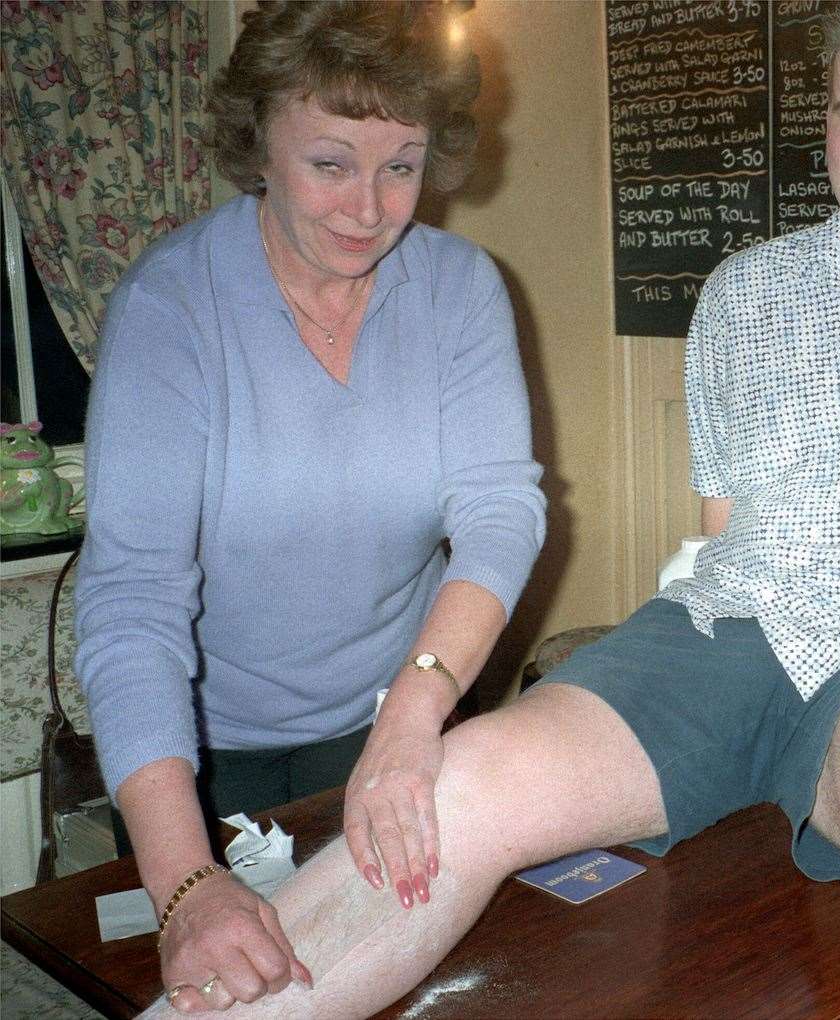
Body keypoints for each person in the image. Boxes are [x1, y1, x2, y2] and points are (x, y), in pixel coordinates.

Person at [135, 3, 840, 1017]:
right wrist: (648, 673)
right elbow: (721, 530)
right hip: (724, 632)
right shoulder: (743, 291)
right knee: (459, 778)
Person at [75, 1, 544, 1013]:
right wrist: (189, 884)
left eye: (401, 166)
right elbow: (132, 602)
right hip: (199, 753)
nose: (369, 208)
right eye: (331, 163)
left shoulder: (461, 289)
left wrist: (417, 711)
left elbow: (500, 514)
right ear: (259, 144)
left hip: (388, 719)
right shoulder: (172, 309)